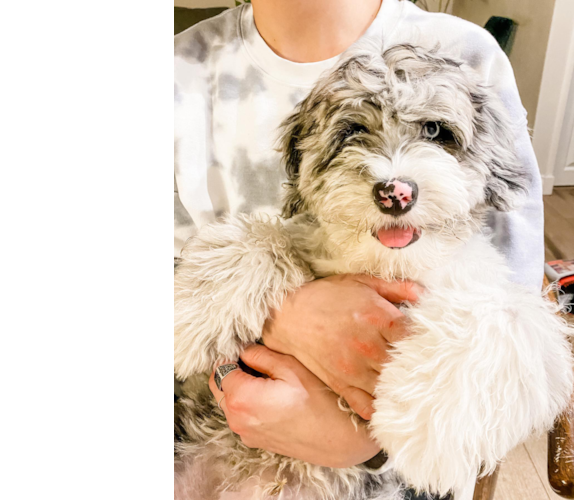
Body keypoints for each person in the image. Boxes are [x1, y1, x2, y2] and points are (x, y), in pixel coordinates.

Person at [174, 0, 544, 485]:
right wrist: (277, 321)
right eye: (351, 134)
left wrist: (368, 444)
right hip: (203, 437)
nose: (395, 187)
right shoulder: (185, 69)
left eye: (434, 132)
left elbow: (512, 310)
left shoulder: (471, 55)